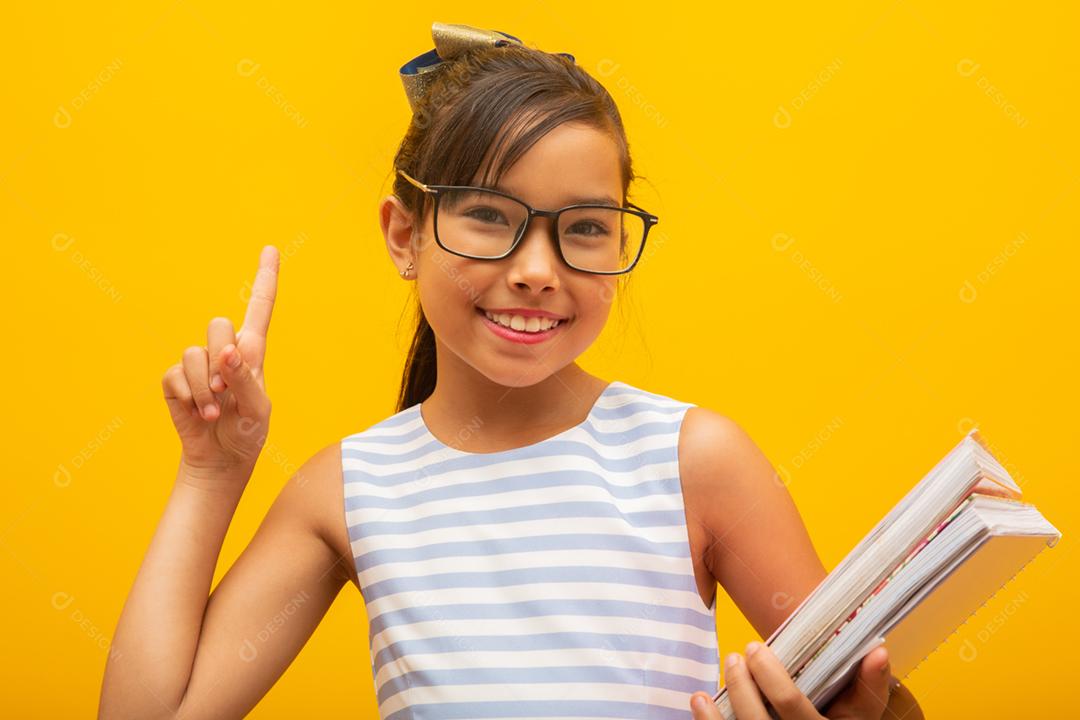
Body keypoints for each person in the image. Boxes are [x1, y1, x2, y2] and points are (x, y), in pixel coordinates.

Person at [99, 22, 924, 720]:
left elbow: (867, 689)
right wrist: (213, 474)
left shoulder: (691, 459)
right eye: (490, 217)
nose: (537, 269)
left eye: (587, 228)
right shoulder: (348, 490)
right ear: (403, 235)